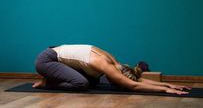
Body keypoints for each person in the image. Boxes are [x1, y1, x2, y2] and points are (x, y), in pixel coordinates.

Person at [33, 44, 191, 95]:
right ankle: (48, 83)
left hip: (60, 60)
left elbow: (136, 80)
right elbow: (133, 85)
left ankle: (53, 78)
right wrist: (165, 91)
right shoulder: (105, 64)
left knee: (94, 80)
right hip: (46, 61)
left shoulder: (115, 63)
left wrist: (167, 85)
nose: (117, 83)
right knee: (82, 84)